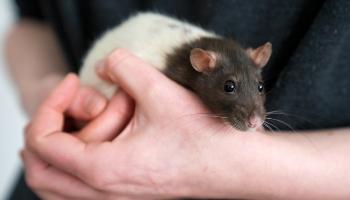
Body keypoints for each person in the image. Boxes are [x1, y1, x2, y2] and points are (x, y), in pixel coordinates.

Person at [6, 0, 350, 199]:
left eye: (258, 90)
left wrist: (236, 167)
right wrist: (53, 97)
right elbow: (31, 22)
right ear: (202, 64)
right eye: (230, 89)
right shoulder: (195, 64)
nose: (255, 117)